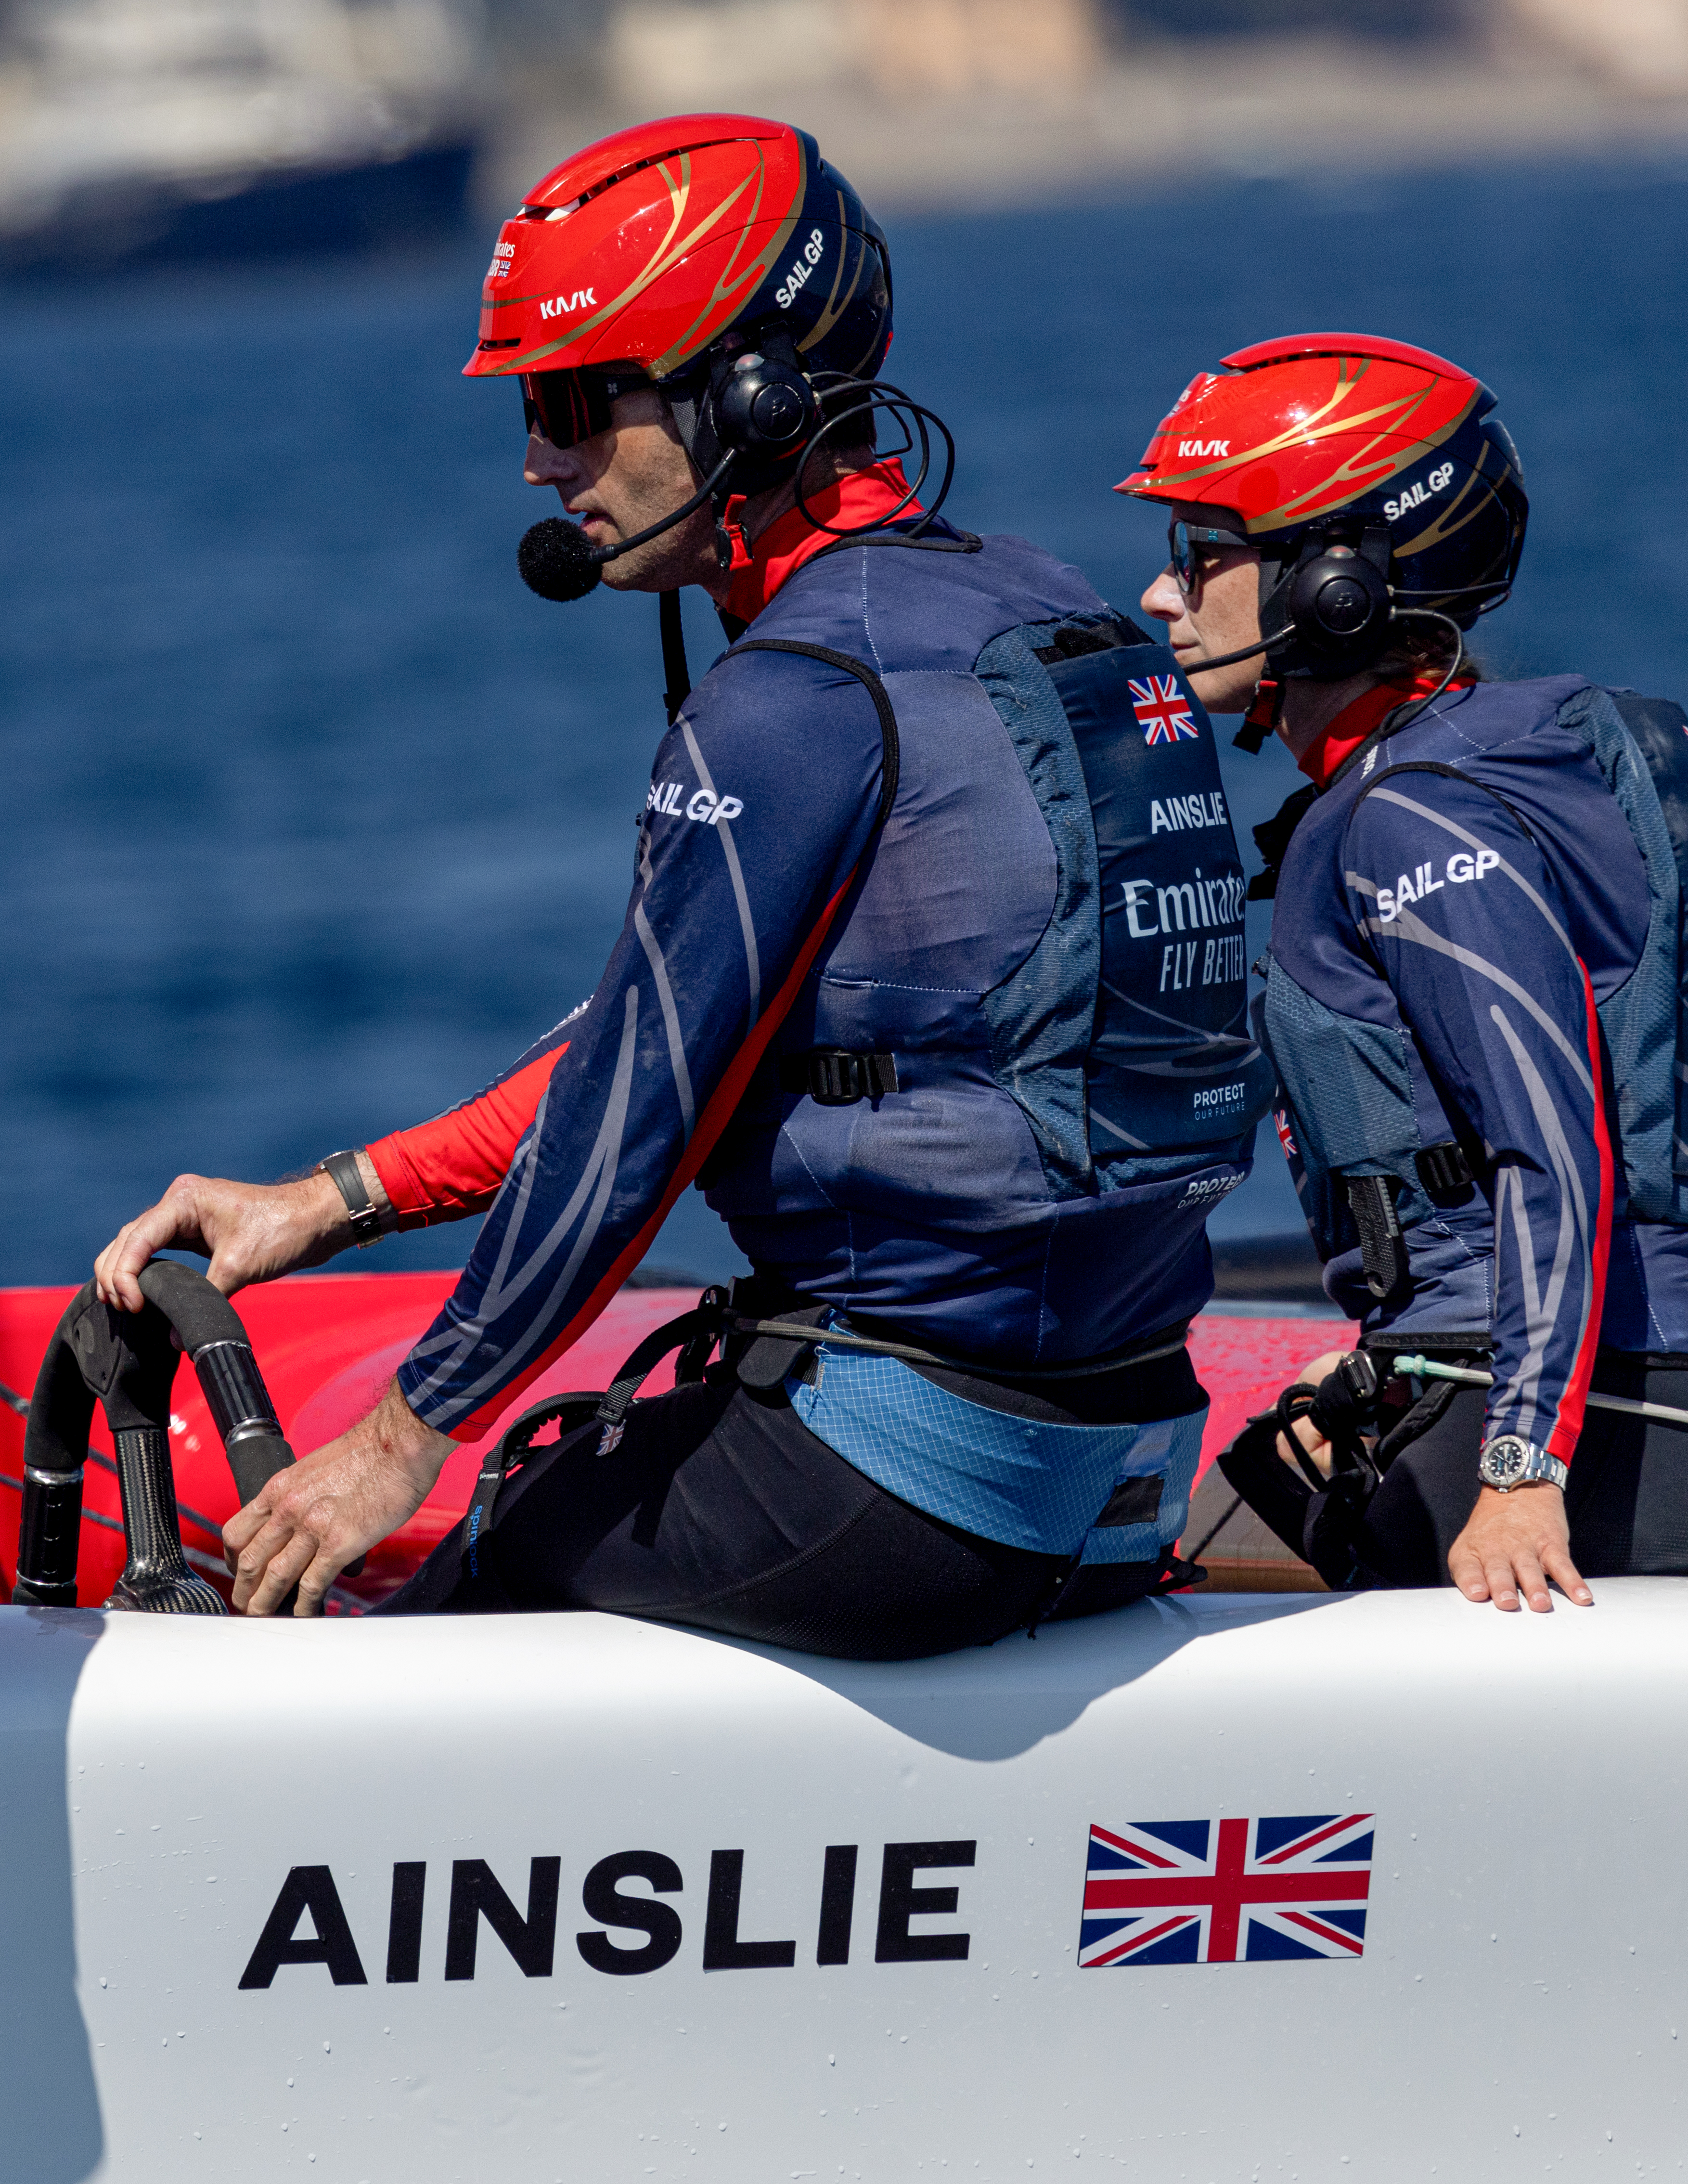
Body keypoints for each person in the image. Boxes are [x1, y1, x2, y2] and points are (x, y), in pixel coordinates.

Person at [94, 116, 1265, 1649]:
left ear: (753, 400)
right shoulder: (1047, 605)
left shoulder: (790, 699)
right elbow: (671, 1038)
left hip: (923, 1491)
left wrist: (399, 1441)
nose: (539, 457)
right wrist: (333, 1201)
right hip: (1125, 1462)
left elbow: (630, 1130)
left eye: (577, 401)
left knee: (435, 1584)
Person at [1118, 332, 1688, 1613]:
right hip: (1584, 1393)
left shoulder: (1414, 819)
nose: (1165, 597)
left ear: (1338, 586)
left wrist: (1524, 1463)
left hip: (1576, 1434)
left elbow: (1553, 1138)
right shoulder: (1465, 769)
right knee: (1197, 1525)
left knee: (1130, 1594)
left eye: (1204, 555)